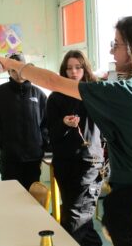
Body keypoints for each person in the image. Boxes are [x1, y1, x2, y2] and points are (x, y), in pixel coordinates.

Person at [0, 16, 132, 245]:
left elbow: (52, 81)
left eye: (116, 44)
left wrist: (9, 62)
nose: (112, 53)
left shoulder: (124, 93)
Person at [47, 50, 104, 246]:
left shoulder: (95, 93)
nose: (73, 72)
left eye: (78, 67)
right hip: (64, 164)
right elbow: (50, 135)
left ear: (85, 68)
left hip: (89, 163)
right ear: (63, 71)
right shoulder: (55, 98)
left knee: (73, 219)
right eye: (69, 68)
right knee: (81, 219)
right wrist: (63, 123)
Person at [0, 52, 49, 190]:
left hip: (33, 158)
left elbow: (47, 123)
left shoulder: (39, 94)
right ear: (9, 72)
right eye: (13, 70)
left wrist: (42, 143)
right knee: (10, 197)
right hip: (10, 159)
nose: (18, 74)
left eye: (21, 70)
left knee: (32, 197)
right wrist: (5, 144)